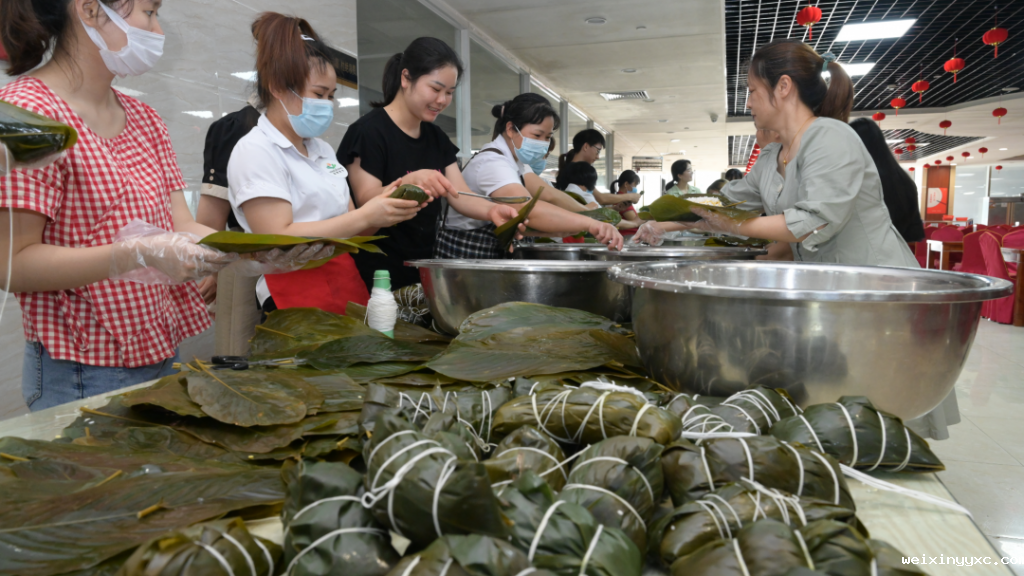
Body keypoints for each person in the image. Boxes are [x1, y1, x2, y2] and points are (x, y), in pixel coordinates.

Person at [0, 0, 319, 411]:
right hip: (79, 368)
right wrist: (133, 253)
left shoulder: (145, 119)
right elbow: (14, 264)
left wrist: (261, 251)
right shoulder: (28, 113)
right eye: (149, 12)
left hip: (159, 350)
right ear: (90, 10)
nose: (158, 30)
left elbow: (181, 224)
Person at [636, 39, 917, 268]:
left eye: (752, 90)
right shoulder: (771, 157)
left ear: (783, 87)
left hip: (880, 284)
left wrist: (735, 225)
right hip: (835, 287)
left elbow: (814, 222)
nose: (747, 103)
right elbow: (721, 206)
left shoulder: (830, 136)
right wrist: (661, 225)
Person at [228, 13, 430, 316]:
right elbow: (277, 237)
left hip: (343, 282)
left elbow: (354, 228)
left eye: (332, 96)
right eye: (318, 94)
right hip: (291, 293)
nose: (327, 105)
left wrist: (390, 202)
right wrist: (364, 217)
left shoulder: (321, 150)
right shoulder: (256, 150)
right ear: (277, 87)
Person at [336, 37, 523, 290]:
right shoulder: (368, 132)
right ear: (405, 78)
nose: (442, 100)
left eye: (449, 93)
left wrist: (492, 211)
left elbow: (459, 195)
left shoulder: (436, 138)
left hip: (421, 269)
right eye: (435, 89)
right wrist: (409, 181)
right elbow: (366, 201)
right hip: (374, 272)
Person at [437, 94, 622, 258]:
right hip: (466, 254)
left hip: (488, 251)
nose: (542, 144)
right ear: (511, 129)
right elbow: (527, 210)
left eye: (547, 137)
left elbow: (528, 219)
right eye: (537, 135)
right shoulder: (493, 162)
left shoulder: (515, 162)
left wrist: (578, 224)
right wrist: (590, 222)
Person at [192, 99, 261, 305]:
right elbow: (212, 214)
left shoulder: (302, 133)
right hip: (248, 257)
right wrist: (213, 272)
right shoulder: (237, 127)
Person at [849, 118, 925, 243]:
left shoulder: (860, 180)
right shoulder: (905, 180)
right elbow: (914, 232)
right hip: (897, 254)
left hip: (862, 252)